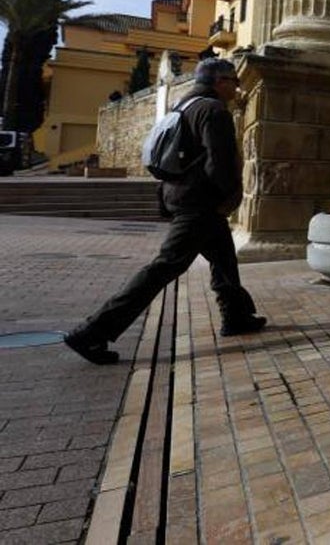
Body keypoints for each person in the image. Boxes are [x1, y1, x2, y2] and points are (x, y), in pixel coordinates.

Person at [65, 58, 266, 364]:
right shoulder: (213, 111)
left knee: (224, 258)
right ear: (218, 82)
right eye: (233, 82)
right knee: (164, 267)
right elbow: (219, 163)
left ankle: (236, 315)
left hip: (183, 196)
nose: (236, 87)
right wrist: (228, 196)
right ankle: (92, 332)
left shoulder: (183, 106)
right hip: (200, 203)